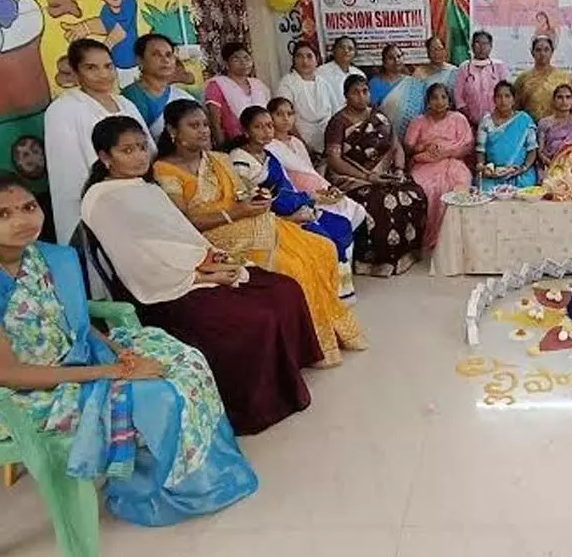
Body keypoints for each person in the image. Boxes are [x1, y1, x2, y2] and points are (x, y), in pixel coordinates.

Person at [0, 170, 257, 525]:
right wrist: (116, 371)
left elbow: (70, 324)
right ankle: (155, 490)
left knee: (184, 359)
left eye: (29, 207)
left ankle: (190, 477)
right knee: (156, 393)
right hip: (7, 399)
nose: (22, 220)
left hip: (63, 363)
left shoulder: (36, 256)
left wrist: (117, 350)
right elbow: (4, 373)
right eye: (2, 214)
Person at [81, 117, 325, 434]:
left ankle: (285, 373)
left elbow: (183, 236)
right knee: (255, 318)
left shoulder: (144, 187)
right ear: (104, 157)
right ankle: (257, 402)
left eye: (142, 147)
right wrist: (203, 276)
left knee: (284, 289)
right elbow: (139, 260)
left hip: (193, 265)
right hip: (165, 290)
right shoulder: (102, 199)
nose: (140, 156)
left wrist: (216, 260)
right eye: (127, 150)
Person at [152, 99, 365, 368]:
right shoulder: (165, 169)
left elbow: (243, 193)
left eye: (206, 124)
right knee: (293, 266)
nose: (204, 130)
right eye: (194, 126)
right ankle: (307, 347)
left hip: (253, 221)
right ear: (173, 131)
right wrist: (236, 213)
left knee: (322, 248)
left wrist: (258, 198)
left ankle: (329, 333)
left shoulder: (218, 159)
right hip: (212, 235)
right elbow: (183, 221)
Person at [228, 106, 358, 301]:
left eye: (269, 126)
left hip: (294, 208)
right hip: (271, 219)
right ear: (246, 131)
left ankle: (333, 289)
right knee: (325, 242)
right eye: (258, 127)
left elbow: (286, 189)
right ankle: (325, 295)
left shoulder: (269, 156)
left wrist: (307, 203)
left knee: (340, 225)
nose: (266, 132)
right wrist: (290, 217)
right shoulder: (239, 160)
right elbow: (249, 202)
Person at [45, 38, 152, 245]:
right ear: (76, 73)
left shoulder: (125, 103)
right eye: (91, 68)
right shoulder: (63, 109)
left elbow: (148, 149)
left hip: (136, 198)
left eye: (108, 66)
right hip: (92, 206)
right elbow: (69, 173)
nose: (103, 74)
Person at [326, 75, 429, 277]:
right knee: (380, 203)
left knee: (415, 194)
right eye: (355, 92)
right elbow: (334, 160)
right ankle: (374, 262)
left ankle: (407, 255)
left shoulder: (378, 115)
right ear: (346, 96)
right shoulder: (338, 122)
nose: (361, 96)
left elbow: (396, 146)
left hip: (386, 172)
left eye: (365, 91)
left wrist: (399, 170)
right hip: (352, 178)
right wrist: (367, 176)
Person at [263, 96, 368, 233]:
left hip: (318, 190)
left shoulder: (297, 142)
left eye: (289, 114)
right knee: (338, 220)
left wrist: (327, 188)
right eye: (279, 114)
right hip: (298, 195)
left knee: (356, 210)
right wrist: (308, 196)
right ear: (270, 117)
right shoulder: (270, 146)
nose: (285, 118)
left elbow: (310, 171)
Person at [405, 83, 474, 251]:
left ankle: (455, 240)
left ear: (449, 100)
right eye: (434, 97)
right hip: (425, 165)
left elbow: (467, 146)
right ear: (428, 101)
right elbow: (408, 147)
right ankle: (429, 240)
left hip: (453, 162)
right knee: (425, 189)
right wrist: (425, 147)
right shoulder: (418, 121)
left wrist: (447, 151)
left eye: (443, 97)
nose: (439, 101)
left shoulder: (458, 119)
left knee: (457, 187)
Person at [275, 41, 340, 157]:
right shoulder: (287, 83)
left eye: (309, 56)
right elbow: (284, 119)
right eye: (299, 56)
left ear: (317, 60)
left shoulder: (323, 83)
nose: (305, 61)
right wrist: (303, 145)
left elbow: (336, 115)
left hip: (328, 144)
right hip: (299, 145)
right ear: (293, 60)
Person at [121, 33, 190, 139]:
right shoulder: (131, 97)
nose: (165, 60)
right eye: (156, 54)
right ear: (140, 60)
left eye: (168, 55)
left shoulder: (183, 96)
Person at [476, 80, 538, 192]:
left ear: (513, 99)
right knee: (485, 190)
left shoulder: (524, 119)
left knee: (526, 190)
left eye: (507, 96)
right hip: (493, 175)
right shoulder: (486, 121)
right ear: (494, 99)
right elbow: (481, 150)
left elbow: (532, 149)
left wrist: (524, 168)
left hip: (519, 174)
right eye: (499, 96)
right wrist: (482, 167)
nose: (503, 101)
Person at [203, 42, 270, 145]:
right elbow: (215, 123)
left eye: (246, 58)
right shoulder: (217, 85)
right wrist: (224, 149)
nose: (243, 62)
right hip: (236, 143)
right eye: (236, 59)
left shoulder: (258, 84)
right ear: (226, 64)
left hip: (265, 142)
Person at [369, 44, 425, 140]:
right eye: (391, 58)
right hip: (384, 137)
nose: (396, 60)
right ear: (384, 62)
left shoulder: (413, 83)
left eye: (399, 56)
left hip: (413, 136)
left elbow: (422, 110)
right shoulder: (375, 83)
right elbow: (372, 112)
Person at [454, 30, 510, 127]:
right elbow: (458, 98)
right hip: (470, 122)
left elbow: (507, 93)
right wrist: (470, 117)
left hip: (497, 121)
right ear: (472, 46)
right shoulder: (464, 67)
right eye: (477, 43)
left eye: (485, 43)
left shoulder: (499, 66)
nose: (481, 47)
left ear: (491, 46)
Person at [537, 84, 572, 178]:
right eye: (560, 97)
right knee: (551, 183)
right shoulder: (544, 122)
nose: (564, 101)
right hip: (551, 166)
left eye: (568, 97)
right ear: (553, 101)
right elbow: (540, 151)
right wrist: (552, 165)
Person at [513, 36, 572, 122]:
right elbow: (516, 107)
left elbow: (571, 106)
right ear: (532, 53)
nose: (542, 53)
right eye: (538, 50)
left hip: (558, 127)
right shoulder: (523, 78)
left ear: (552, 52)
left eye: (546, 50)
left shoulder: (564, 77)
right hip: (530, 128)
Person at [313, 35, 365, 113]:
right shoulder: (321, 72)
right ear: (334, 50)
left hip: (355, 118)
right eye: (342, 47)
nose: (346, 51)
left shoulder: (359, 74)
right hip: (329, 119)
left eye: (350, 49)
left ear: (355, 53)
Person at [413, 36, 458, 106]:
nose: (436, 53)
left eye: (439, 49)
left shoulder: (453, 71)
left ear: (445, 51)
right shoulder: (419, 72)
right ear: (428, 52)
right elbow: (415, 98)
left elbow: (457, 98)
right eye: (433, 50)